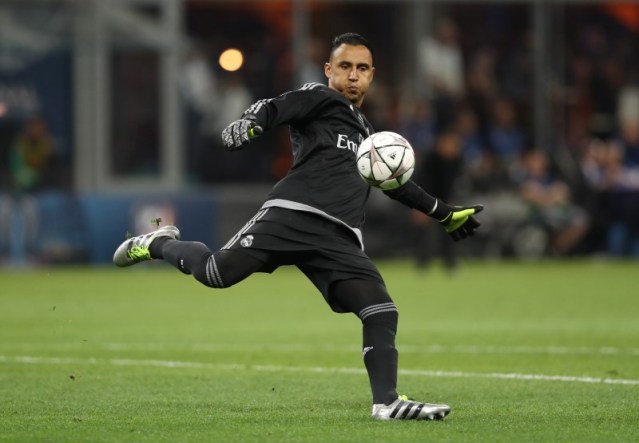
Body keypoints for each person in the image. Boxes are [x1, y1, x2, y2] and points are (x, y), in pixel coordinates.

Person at [113, 33, 483, 421]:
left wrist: (443, 212)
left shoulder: (368, 133)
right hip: (292, 214)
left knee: (381, 310)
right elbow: (275, 106)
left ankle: (386, 403)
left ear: (372, 75)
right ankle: (157, 243)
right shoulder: (321, 99)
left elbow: (394, 184)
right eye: (344, 67)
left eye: (361, 69)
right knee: (216, 273)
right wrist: (251, 123)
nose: (353, 76)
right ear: (329, 71)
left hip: (337, 237)